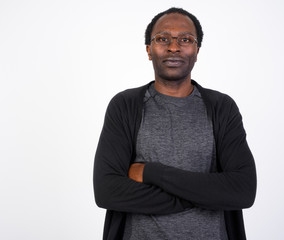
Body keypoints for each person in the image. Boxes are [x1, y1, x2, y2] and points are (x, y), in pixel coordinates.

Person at [93, 7, 256, 240]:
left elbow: (243, 190)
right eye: (162, 39)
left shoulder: (222, 107)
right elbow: (107, 191)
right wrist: (205, 195)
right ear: (149, 50)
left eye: (185, 39)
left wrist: (151, 172)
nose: (173, 47)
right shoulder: (124, 105)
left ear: (197, 50)